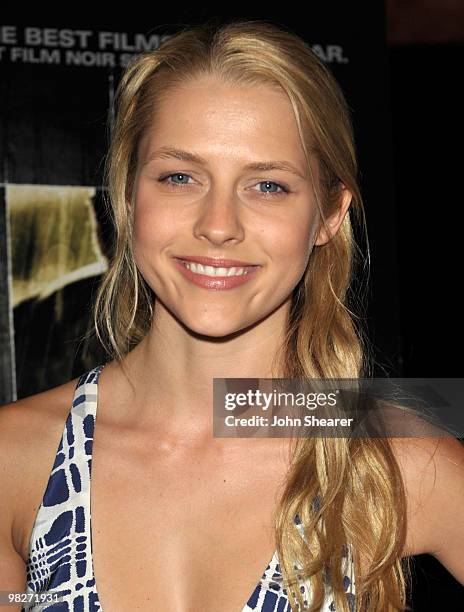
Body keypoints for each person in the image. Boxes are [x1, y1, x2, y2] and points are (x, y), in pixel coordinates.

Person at [1, 19, 463, 612]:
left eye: (267, 186)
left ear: (328, 215)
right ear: (127, 195)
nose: (218, 225)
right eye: (179, 177)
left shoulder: (391, 457)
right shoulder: (17, 456)